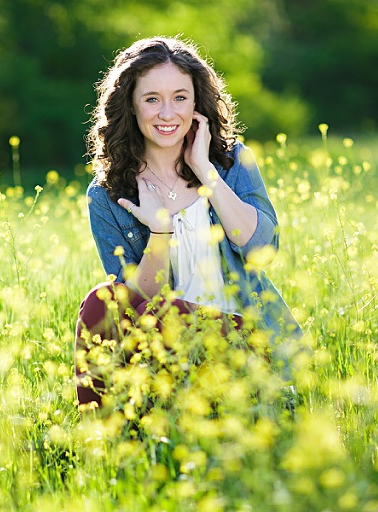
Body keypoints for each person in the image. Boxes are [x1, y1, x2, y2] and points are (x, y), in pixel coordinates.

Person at [75, 36, 303, 412]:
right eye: (152, 99)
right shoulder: (108, 194)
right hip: (165, 349)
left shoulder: (231, 163)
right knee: (103, 304)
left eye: (180, 97)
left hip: (244, 339)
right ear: (130, 105)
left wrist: (204, 169)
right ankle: (104, 434)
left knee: (143, 310)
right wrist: (159, 230)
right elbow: (137, 304)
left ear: (196, 103)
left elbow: (261, 250)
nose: (168, 114)